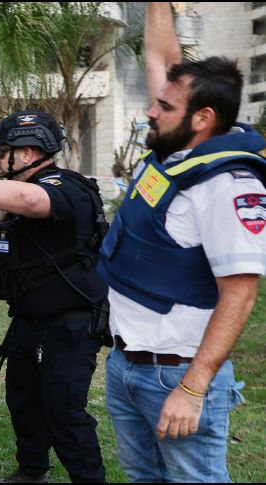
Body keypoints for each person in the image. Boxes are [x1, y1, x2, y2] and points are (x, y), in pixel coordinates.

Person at [96, 3, 266, 483]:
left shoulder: (229, 184)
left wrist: (192, 390)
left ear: (202, 119)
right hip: (127, 365)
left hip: (178, 376)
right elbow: (162, 59)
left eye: (164, 107)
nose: (151, 109)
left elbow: (241, 294)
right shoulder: (175, 143)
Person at [0, 110, 109, 483]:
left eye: (2, 152)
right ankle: (32, 473)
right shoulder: (15, 203)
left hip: (69, 324)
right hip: (29, 322)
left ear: (28, 153)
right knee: (24, 403)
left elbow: (33, 199)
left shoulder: (66, 186)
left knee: (64, 412)